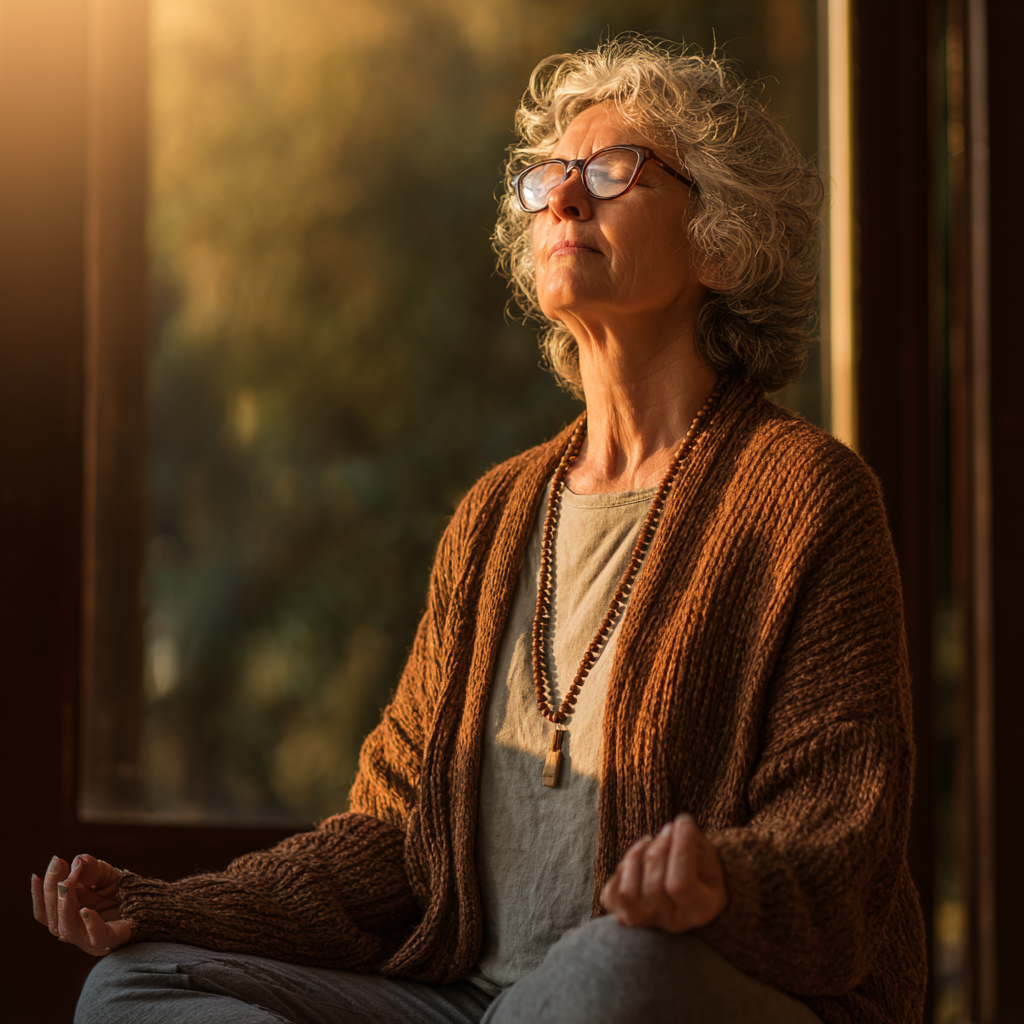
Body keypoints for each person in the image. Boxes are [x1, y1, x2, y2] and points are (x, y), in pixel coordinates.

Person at [32, 36, 926, 1024]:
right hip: (471, 1004)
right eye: (548, 178)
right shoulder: (495, 517)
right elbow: (393, 842)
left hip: (677, 989)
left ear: (721, 235)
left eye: (611, 170)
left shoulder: (806, 496)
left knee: (612, 973)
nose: (564, 198)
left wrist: (720, 884)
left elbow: (841, 852)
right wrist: (166, 904)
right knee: (134, 983)